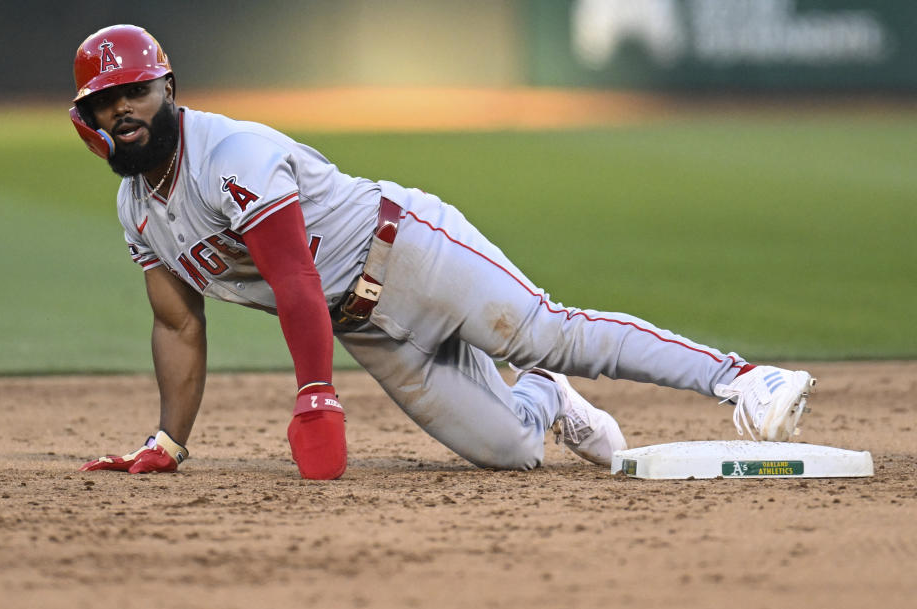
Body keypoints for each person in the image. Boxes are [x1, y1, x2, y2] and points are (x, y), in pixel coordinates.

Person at [72, 25, 815, 480]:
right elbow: (177, 326)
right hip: (363, 325)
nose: (122, 110)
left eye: (134, 90)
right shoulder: (136, 210)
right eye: (104, 102)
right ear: (89, 120)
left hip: (412, 255)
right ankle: (547, 395)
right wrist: (169, 439)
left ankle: (745, 378)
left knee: (552, 332)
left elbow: (292, 273)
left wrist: (315, 393)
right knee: (511, 452)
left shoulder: (230, 153)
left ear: (169, 85)